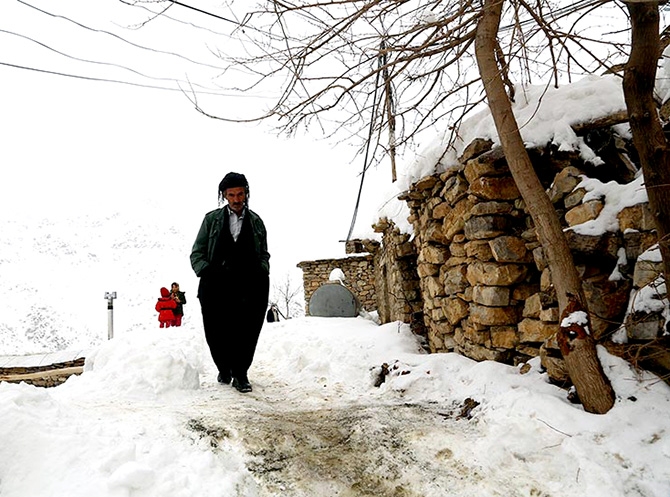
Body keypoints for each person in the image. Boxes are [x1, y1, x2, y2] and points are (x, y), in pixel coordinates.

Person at [190, 172, 270, 393]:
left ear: (246, 193)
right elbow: (197, 253)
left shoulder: (256, 222)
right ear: (224, 196)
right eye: (231, 195)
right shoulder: (211, 220)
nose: (236, 199)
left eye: (240, 194)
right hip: (216, 285)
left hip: (250, 285)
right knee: (216, 331)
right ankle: (224, 368)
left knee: (247, 330)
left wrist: (262, 270)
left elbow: (264, 253)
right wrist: (206, 272)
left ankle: (241, 373)